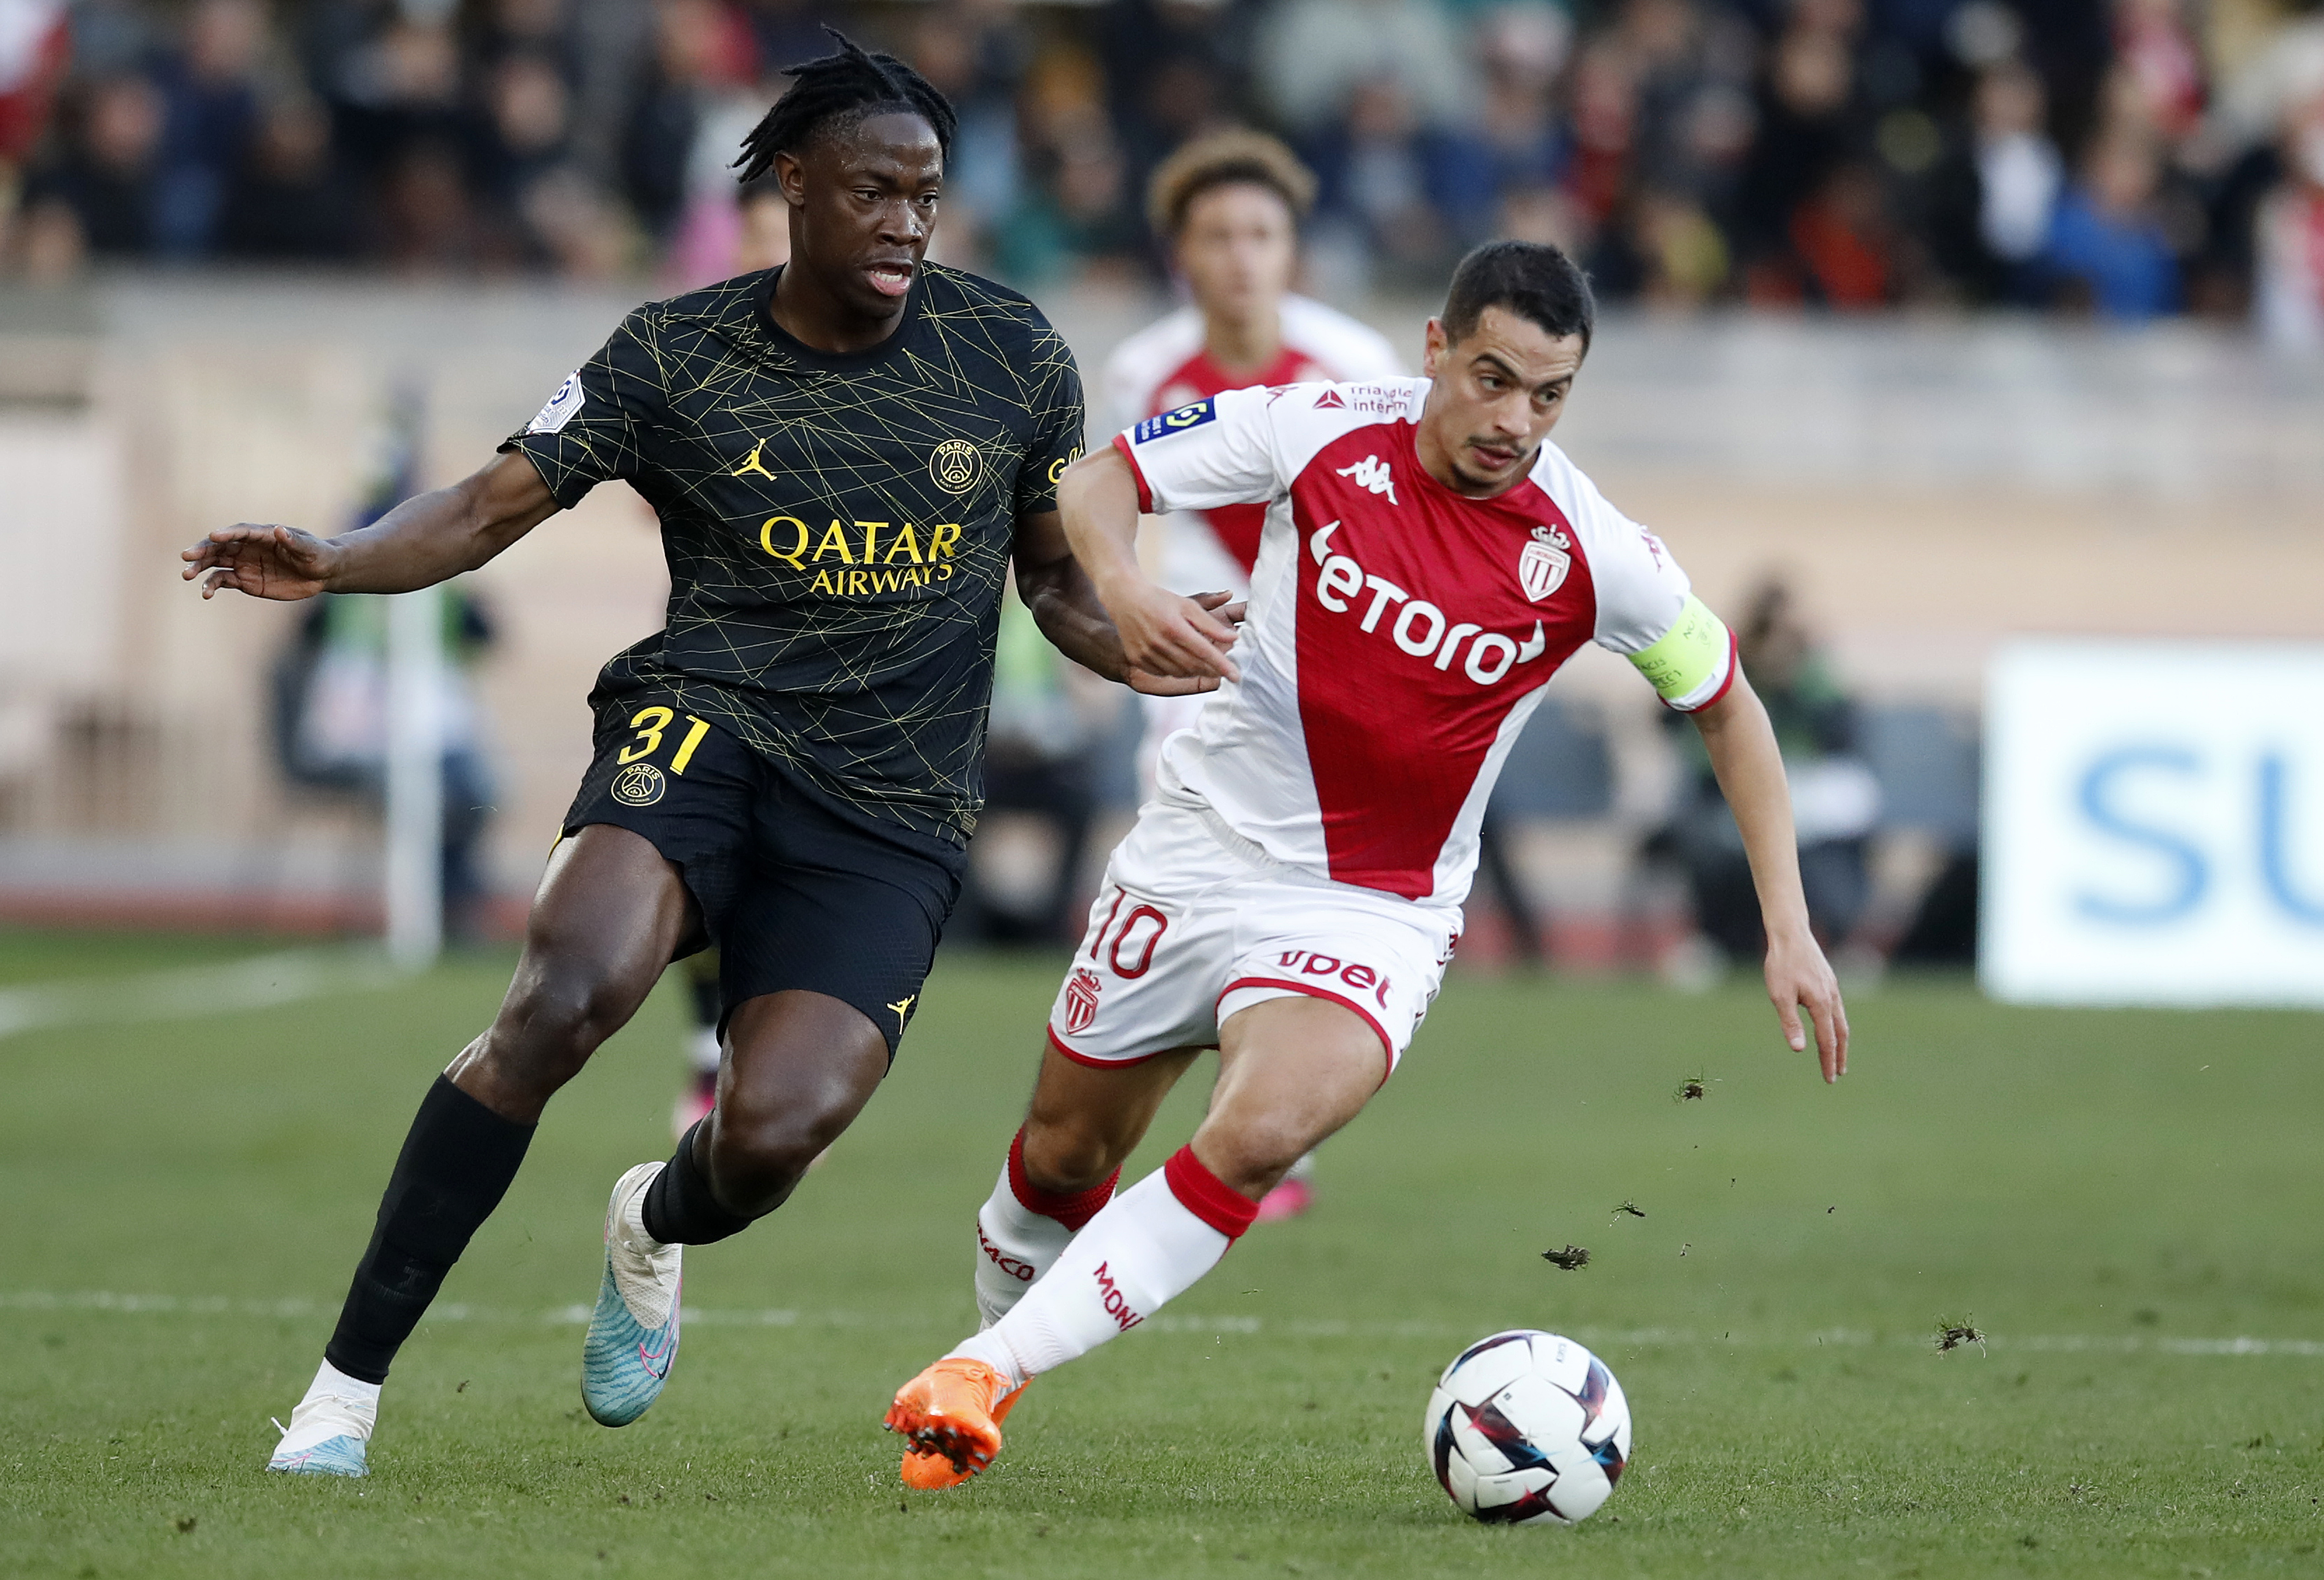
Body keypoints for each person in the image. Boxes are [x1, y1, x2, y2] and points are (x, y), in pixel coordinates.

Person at [185, 30, 1219, 1480]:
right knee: (565, 995)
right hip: (704, 726)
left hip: (895, 800)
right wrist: (338, 555)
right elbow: (490, 506)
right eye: (874, 190)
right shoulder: (676, 353)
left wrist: (1147, 640)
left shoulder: (1010, 353)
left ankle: (652, 1224)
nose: (907, 223)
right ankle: (342, 1397)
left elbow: (1052, 586)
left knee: (774, 1137)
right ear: (791, 184)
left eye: (927, 194)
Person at [880, 240, 1850, 1489]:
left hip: (1375, 907)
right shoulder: (1320, 428)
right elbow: (1102, 480)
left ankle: (986, 1376)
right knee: (1062, 1157)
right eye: (1493, 378)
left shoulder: (1592, 550)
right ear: (1437, 350)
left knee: (1264, 1128)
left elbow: (1729, 706)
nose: (1516, 420)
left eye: (1549, 396)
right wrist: (1120, 589)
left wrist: (1791, 925)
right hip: (1196, 855)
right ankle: (984, 1347)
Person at [1103, 129, 1402, 1220]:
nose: (1239, 256)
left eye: (1261, 234)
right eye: (1216, 235)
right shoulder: (1143, 370)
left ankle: (1278, 1128)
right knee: (1186, 874)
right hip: (1202, 653)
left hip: (1331, 661)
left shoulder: (1355, 364)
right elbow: (1124, 512)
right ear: (1180, 253)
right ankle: (1175, 1101)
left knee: (1307, 892)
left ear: (1293, 251)